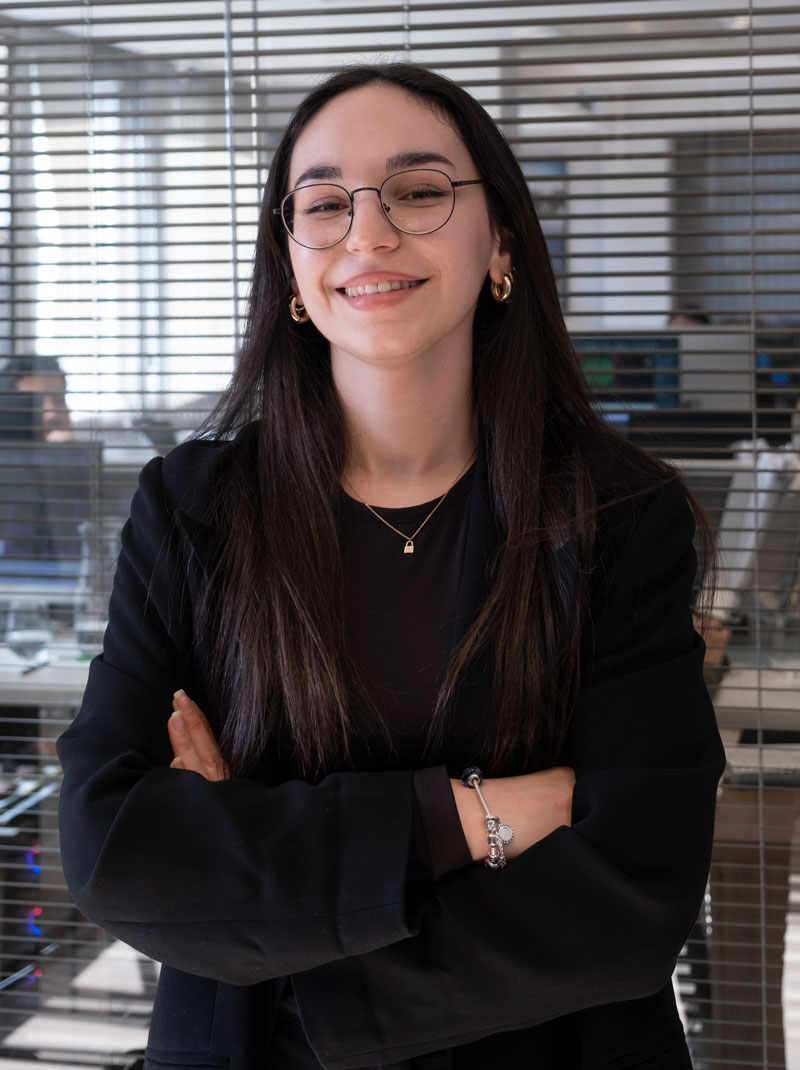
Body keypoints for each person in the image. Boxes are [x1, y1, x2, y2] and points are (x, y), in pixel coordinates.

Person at [56, 63, 725, 1070]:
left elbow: (634, 889)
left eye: (417, 191)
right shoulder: (193, 509)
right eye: (325, 204)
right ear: (289, 267)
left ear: (501, 242)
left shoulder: (618, 515)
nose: (367, 235)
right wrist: (477, 815)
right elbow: (119, 852)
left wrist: (275, 924)